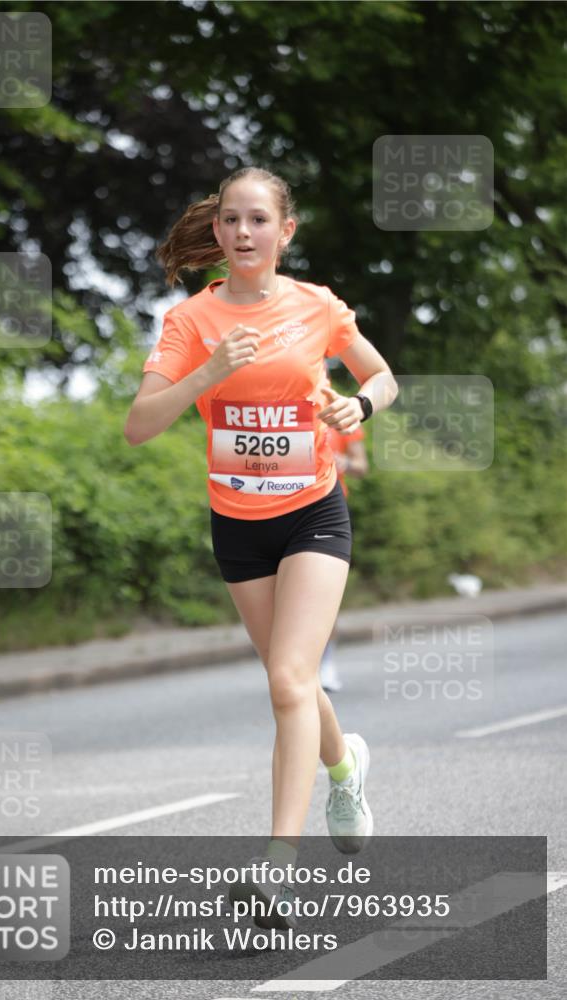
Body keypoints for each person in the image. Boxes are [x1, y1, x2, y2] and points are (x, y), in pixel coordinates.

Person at [124, 166, 398, 929]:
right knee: (296, 683)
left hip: (313, 512)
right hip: (237, 524)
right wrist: (209, 372)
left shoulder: (316, 306)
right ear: (215, 233)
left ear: (285, 231)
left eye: (257, 221)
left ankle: (276, 872)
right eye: (230, 221)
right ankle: (345, 772)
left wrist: (357, 406)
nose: (243, 234)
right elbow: (139, 424)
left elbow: (381, 377)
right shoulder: (190, 322)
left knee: (286, 677)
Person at [319, 378, 369, 692]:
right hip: (282, 509)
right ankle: (297, 669)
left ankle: (326, 665)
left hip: (329, 512)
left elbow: (362, 465)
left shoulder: (338, 406)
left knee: (323, 601)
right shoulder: (281, 403)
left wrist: (344, 462)